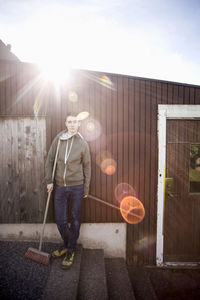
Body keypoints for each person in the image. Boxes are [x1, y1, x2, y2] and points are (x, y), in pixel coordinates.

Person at [45, 113, 91, 269]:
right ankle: (69, 244)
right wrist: (49, 181)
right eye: (70, 121)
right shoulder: (58, 140)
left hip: (77, 186)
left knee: (75, 218)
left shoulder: (82, 143)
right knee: (61, 220)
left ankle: (70, 250)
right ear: (66, 123)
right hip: (60, 186)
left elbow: (87, 166)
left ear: (79, 124)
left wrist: (86, 187)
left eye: (75, 122)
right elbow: (50, 160)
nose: (72, 124)